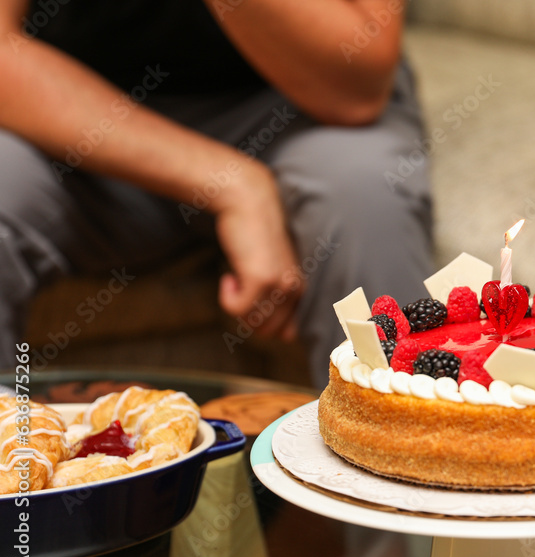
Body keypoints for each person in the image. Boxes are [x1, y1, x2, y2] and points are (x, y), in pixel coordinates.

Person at [0, 0, 435, 390]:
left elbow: (356, 88)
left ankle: (405, 461)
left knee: (365, 198)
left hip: (299, 108)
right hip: (72, 111)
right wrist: (230, 184)